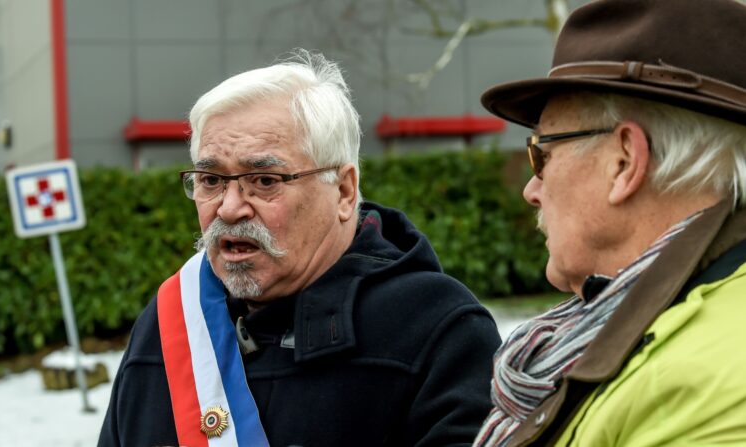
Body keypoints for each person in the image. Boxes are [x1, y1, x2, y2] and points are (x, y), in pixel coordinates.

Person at [98, 49, 501, 447]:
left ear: (344, 191)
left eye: (265, 180)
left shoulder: (438, 329)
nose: (230, 207)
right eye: (210, 180)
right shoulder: (170, 322)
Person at [472, 0, 746, 445]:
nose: (531, 189)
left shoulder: (700, 377)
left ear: (624, 162)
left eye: (542, 154)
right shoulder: (671, 330)